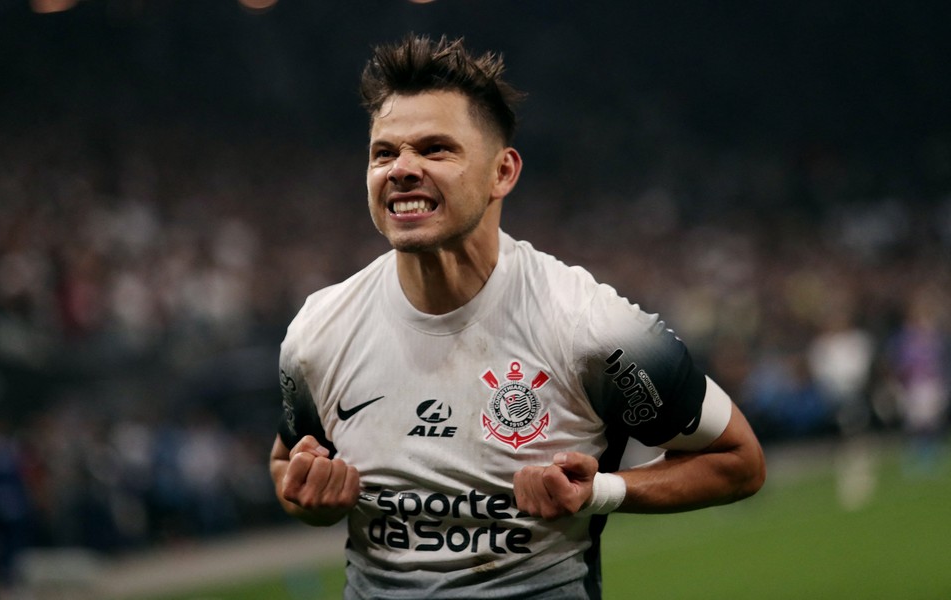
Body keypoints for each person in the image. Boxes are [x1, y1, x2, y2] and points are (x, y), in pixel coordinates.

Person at [269, 34, 766, 599]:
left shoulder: (592, 328)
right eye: (384, 152)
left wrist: (601, 491)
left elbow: (740, 461)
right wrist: (305, 494)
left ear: (502, 172)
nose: (402, 169)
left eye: (435, 149)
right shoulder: (318, 331)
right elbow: (289, 462)